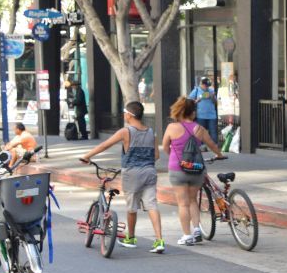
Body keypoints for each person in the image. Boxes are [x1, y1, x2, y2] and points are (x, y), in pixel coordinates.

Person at [81, 101, 166, 253]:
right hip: (149, 172)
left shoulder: (126, 132)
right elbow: (156, 155)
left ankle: (131, 238)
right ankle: (159, 240)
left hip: (132, 173)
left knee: (132, 207)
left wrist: (87, 156)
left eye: (125, 112)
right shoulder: (150, 131)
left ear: (129, 114)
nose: (124, 115)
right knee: (152, 205)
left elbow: (104, 145)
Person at [161, 96, 224, 246]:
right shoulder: (199, 129)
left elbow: (165, 147)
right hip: (196, 169)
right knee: (192, 200)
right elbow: (212, 145)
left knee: (182, 204)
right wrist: (219, 155)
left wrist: (174, 157)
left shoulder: (171, 128)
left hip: (178, 170)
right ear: (192, 113)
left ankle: (187, 235)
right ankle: (197, 230)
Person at [189, 76, 219, 142]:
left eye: (208, 86)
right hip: (201, 115)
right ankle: (202, 146)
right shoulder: (196, 90)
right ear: (201, 84)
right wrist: (197, 100)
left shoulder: (211, 90)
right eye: (205, 86)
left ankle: (214, 146)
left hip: (211, 115)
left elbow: (215, 102)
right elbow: (190, 101)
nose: (206, 87)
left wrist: (212, 97)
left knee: (213, 131)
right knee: (201, 131)